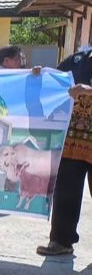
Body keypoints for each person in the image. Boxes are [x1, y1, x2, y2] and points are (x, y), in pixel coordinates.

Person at [37, 45, 92, 256]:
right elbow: (55, 80)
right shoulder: (78, 60)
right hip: (74, 140)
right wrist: (40, 75)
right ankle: (61, 241)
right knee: (66, 191)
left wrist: (89, 91)